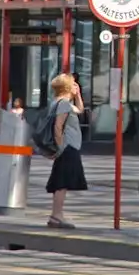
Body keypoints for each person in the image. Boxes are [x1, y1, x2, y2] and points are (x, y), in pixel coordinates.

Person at [46, 74, 87, 229]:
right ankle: (57, 215)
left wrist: (78, 95)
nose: (75, 86)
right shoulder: (63, 104)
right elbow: (58, 126)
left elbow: (80, 110)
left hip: (68, 147)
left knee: (60, 182)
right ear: (66, 87)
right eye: (73, 84)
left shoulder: (60, 102)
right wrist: (61, 147)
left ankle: (56, 215)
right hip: (67, 147)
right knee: (62, 183)